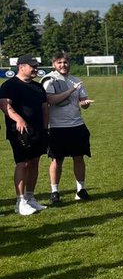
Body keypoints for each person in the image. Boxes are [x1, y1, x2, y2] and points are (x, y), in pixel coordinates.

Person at [0, 54, 49, 216]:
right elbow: (4, 105)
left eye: (36, 66)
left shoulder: (37, 87)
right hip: (19, 132)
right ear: (21, 67)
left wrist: (45, 128)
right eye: (32, 66)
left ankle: (30, 197)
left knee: (35, 162)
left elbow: (44, 108)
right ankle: (20, 201)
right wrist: (19, 119)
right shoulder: (10, 85)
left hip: (38, 131)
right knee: (23, 164)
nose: (36, 69)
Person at [42, 53, 93, 203]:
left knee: (79, 158)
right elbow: (51, 100)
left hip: (77, 125)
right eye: (59, 62)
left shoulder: (75, 80)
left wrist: (85, 103)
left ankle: (81, 190)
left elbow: (83, 101)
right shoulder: (49, 80)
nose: (63, 65)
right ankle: (55, 192)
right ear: (53, 65)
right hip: (57, 127)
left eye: (65, 62)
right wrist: (71, 90)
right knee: (57, 160)